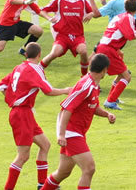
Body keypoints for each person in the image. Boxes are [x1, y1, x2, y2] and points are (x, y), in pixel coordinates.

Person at [0, 42, 72, 190]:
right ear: (39, 55)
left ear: (26, 54)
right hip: (22, 114)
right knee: (23, 156)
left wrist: (12, 100)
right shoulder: (35, 69)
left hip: (21, 113)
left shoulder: (18, 67)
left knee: (45, 145)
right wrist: (65, 90)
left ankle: (41, 184)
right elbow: (48, 90)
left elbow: (2, 86)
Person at [40, 54, 116, 190]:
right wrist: (61, 134)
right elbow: (67, 107)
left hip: (76, 132)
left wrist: (106, 114)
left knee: (63, 172)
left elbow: (93, 106)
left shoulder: (94, 85)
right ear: (105, 70)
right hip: (71, 133)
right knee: (89, 168)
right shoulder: (85, 85)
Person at [94, 0, 136, 110]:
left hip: (104, 46)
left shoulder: (119, 16)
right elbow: (130, 36)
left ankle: (113, 98)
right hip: (108, 49)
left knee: (121, 74)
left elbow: (112, 33)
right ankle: (110, 101)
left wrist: (117, 50)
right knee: (127, 76)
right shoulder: (129, 18)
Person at [40, 0, 94, 75]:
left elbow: (94, 12)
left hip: (77, 35)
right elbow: (43, 10)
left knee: (84, 51)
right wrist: (49, 18)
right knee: (54, 53)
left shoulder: (82, 0)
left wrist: (91, 14)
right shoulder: (59, 0)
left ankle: (84, 77)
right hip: (63, 35)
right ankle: (37, 70)